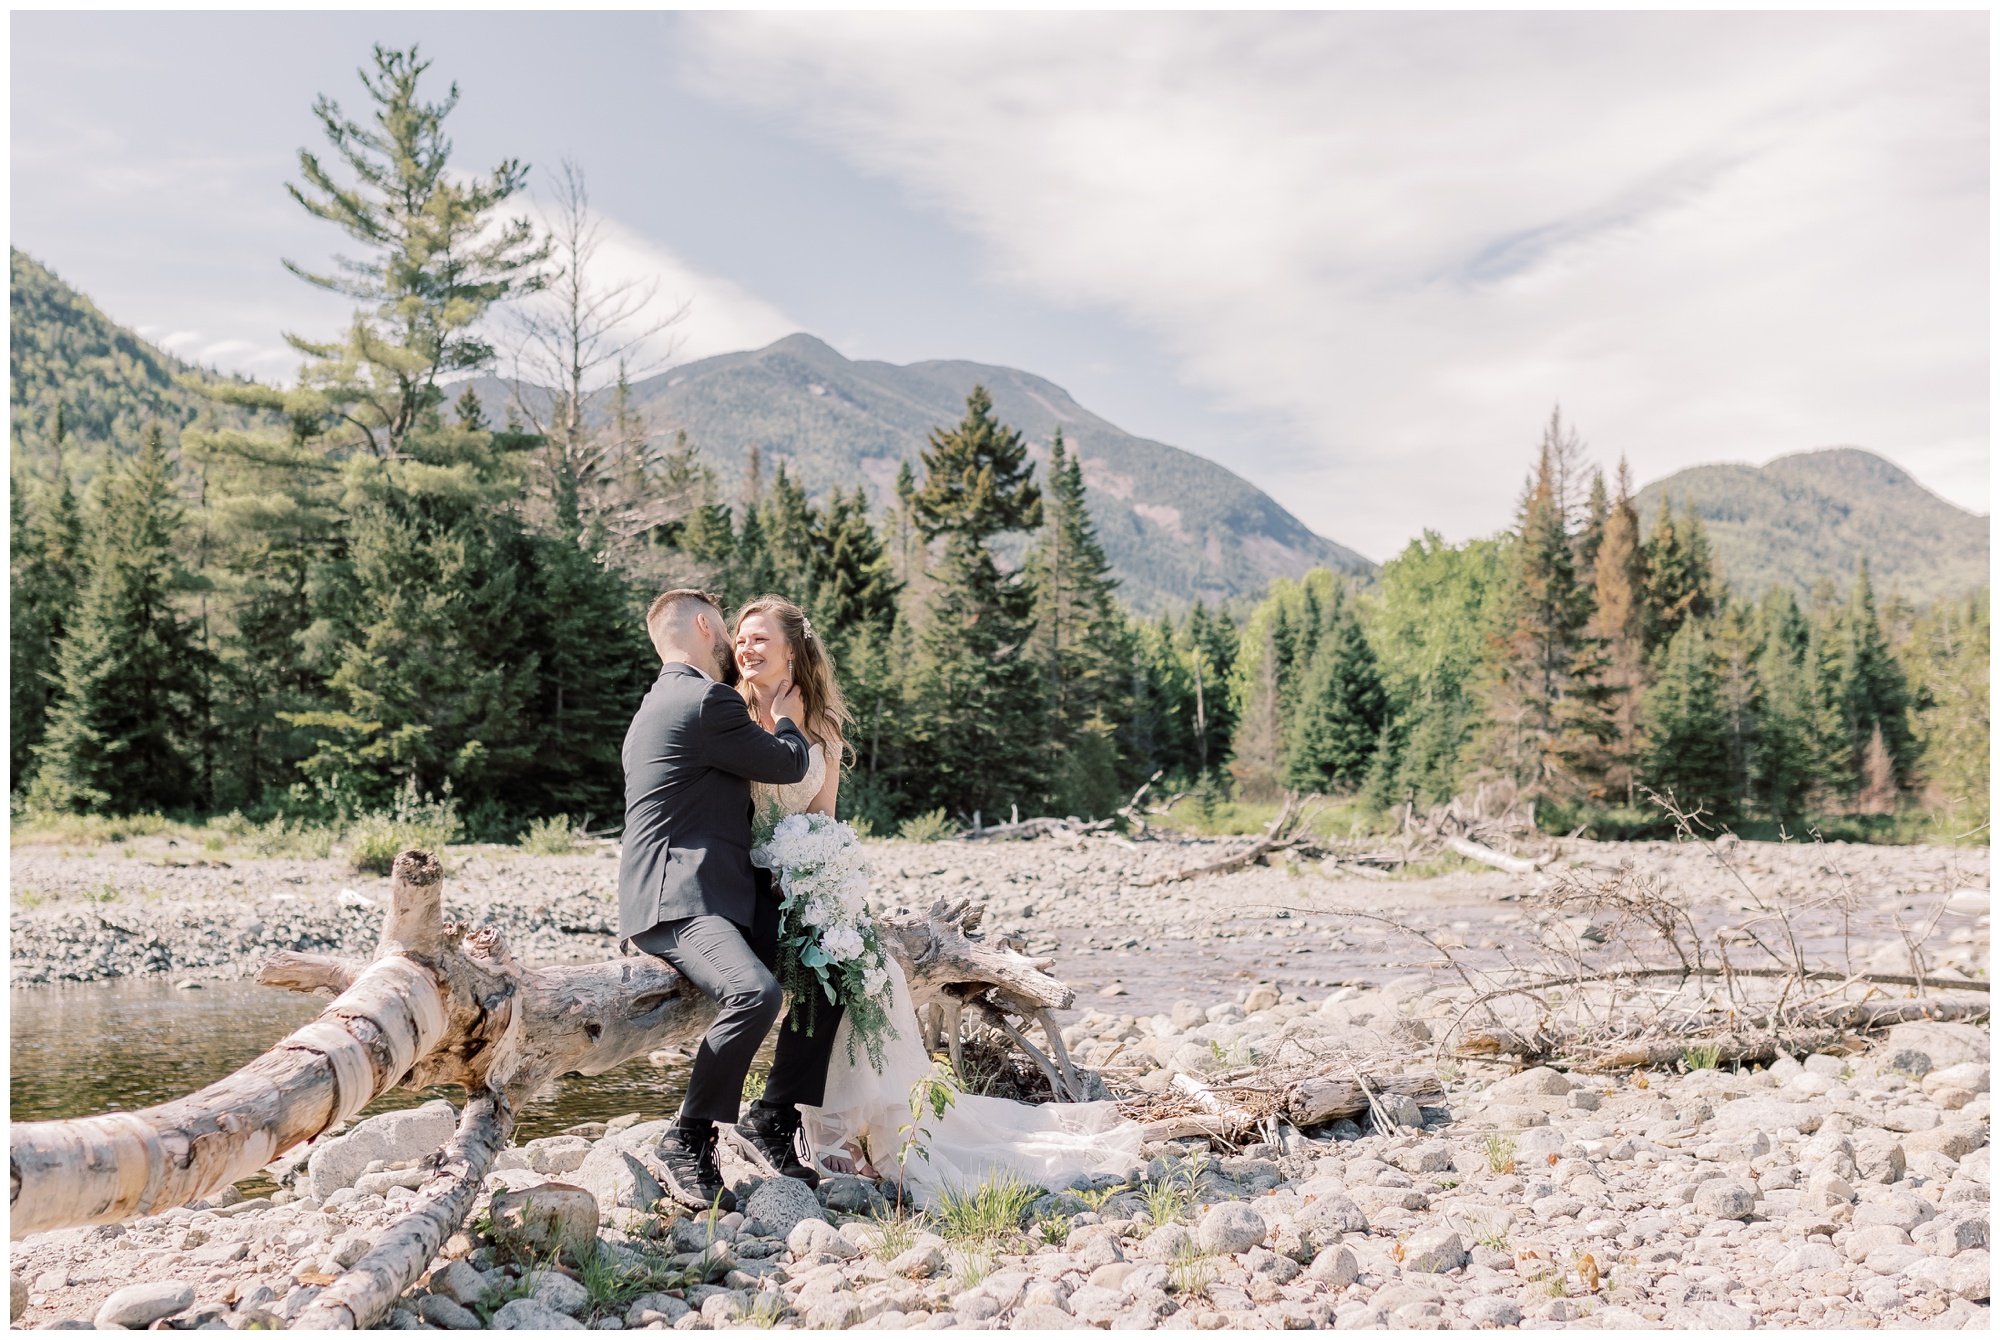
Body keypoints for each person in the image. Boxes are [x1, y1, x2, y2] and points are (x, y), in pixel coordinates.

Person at [730, 595, 1143, 1204]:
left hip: (800, 883)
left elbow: (822, 824)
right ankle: (785, 1116)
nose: (746, 647)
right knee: (841, 973)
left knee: (861, 972)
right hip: (746, 882)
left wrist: (824, 885)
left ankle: (808, 1120)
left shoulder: (822, 729)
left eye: (760, 637)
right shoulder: (729, 715)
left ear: (794, 650)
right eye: (740, 637)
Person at [617, 589, 846, 1212]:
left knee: (828, 971)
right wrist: (791, 718)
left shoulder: (659, 702)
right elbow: (788, 763)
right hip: (680, 901)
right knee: (756, 993)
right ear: (703, 625)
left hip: (722, 892)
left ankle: (773, 1116)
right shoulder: (704, 699)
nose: (733, 643)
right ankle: (687, 1137)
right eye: (726, 630)